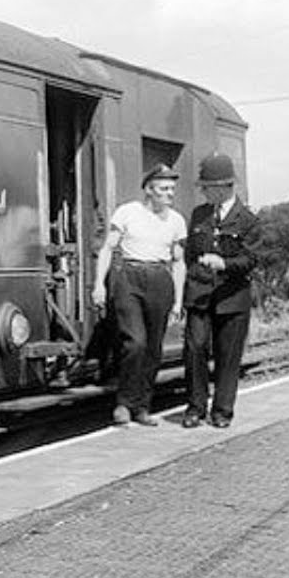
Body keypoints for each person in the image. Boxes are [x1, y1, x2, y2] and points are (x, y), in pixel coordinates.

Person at [92, 164, 186, 427]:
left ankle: (142, 406)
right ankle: (124, 404)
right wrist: (99, 284)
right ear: (149, 190)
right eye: (164, 189)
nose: (170, 194)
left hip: (160, 279)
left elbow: (179, 262)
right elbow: (107, 249)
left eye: (172, 189)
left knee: (153, 348)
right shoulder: (128, 212)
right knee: (135, 343)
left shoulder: (176, 221)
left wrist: (178, 300)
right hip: (129, 278)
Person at [180, 153, 261, 429]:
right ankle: (195, 407)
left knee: (228, 356)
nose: (203, 191)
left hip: (232, 298)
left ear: (225, 187)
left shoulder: (248, 220)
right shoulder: (199, 215)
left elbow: (252, 259)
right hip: (200, 295)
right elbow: (190, 255)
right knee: (194, 349)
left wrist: (224, 263)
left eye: (207, 187)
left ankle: (222, 411)